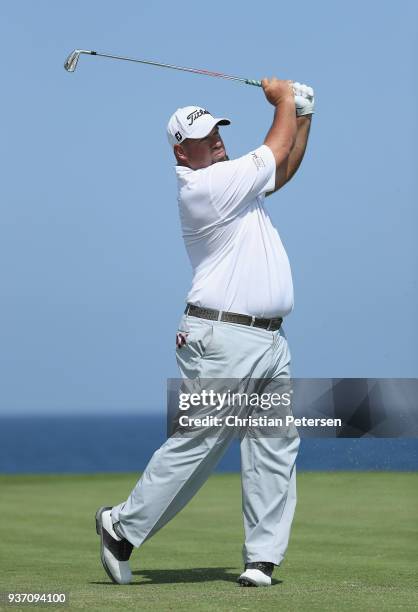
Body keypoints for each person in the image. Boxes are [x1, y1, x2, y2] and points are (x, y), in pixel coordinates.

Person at [95, 77, 314, 587]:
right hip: (222, 335)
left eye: (217, 130)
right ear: (181, 150)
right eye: (202, 137)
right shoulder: (207, 188)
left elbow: (282, 168)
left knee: (274, 444)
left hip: (269, 340)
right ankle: (120, 528)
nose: (215, 140)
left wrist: (305, 115)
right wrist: (285, 103)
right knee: (202, 439)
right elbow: (274, 148)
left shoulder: (235, 182)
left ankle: (262, 558)